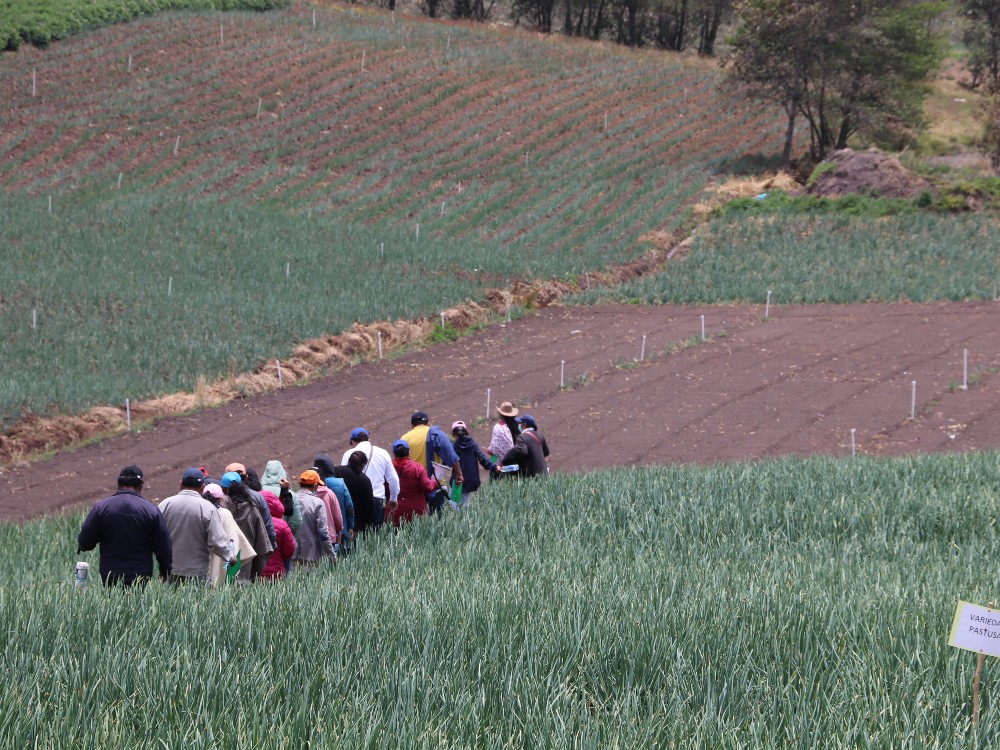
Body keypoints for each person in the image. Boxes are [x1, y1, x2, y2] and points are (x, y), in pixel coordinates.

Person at [77, 465, 172, 586]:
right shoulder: (151, 511)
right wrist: (165, 570)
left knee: (111, 603)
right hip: (140, 574)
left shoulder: (100, 508)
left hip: (109, 574)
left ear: (118, 483)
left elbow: (85, 543)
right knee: (137, 603)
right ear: (141, 485)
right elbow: (163, 546)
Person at [158, 467, 235, 583]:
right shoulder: (208, 508)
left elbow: (154, 535)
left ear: (181, 484)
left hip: (169, 569)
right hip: (197, 571)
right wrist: (230, 557)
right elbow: (217, 541)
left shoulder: (165, 504)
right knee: (195, 600)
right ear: (202, 487)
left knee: (169, 601)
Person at [400, 411, 463, 516]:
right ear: (428, 423)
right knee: (436, 518)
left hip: (414, 485)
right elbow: (451, 456)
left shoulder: (404, 438)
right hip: (435, 484)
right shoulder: (436, 434)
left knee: (416, 518)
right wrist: (459, 474)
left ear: (412, 425)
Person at [220, 472, 275, 582]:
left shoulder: (219, 510)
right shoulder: (252, 510)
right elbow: (262, 544)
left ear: (223, 489)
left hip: (222, 560)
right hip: (245, 561)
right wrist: (256, 572)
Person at [340, 427, 399, 525]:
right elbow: (393, 479)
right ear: (368, 439)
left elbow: (342, 480)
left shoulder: (348, 454)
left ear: (353, 441)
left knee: (357, 534)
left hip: (355, 500)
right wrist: (393, 499)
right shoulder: (383, 453)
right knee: (374, 535)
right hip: (376, 499)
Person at [202, 481, 256, 587]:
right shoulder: (225, 514)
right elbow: (233, 540)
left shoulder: (201, 511)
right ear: (221, 498)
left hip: (201, 560)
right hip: (223, 557)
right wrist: (231, 559)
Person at [224, 462, 277, 552]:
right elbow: (268, 525)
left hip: (229, 550)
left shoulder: (220, 499)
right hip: (253, 548)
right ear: (246, 477)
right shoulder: (257, 497)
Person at [388, 440, 441, 527]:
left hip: (393, 511)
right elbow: (427, 487)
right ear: (409, 452)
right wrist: (436, 482)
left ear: (394, 453)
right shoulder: (417, 468)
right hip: (415, 513)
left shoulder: (388, 468)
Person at [293, 470, 336, 568]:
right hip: (311, 554)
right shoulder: (318, 503)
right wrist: (331, 554)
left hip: (292, 552)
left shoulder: (291, 499)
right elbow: (323, 533)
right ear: (315, 485)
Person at [450, 421, 494, 509]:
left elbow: (447, 462)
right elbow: (482, 458)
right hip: (472, 480)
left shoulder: (454, 446)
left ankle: (459, 520)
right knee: (465, 501)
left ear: (454, 434)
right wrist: (494, 467)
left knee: (454, 504)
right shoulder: (472, 443)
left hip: (458, 479)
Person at [333, 451, 378, 534]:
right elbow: (369, 505)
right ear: (363, 465)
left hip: (335, 517)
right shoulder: (365, 480)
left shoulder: (336, 471)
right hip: (356, 522)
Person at [260, 490, 296, 580]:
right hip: (276, 573)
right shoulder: (282, 525)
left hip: (255, 572)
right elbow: (289, 551)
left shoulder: (252, 521)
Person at [261, 459, 302, 534]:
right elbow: (296, 523)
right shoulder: (291, 495)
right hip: (284, 535)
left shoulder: (259, 493)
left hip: (263, 536)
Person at [323, 475, 355, 556]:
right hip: (338, 533)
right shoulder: (339, 483)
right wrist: (350, 526)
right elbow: (349, 507)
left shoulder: (301, 495)